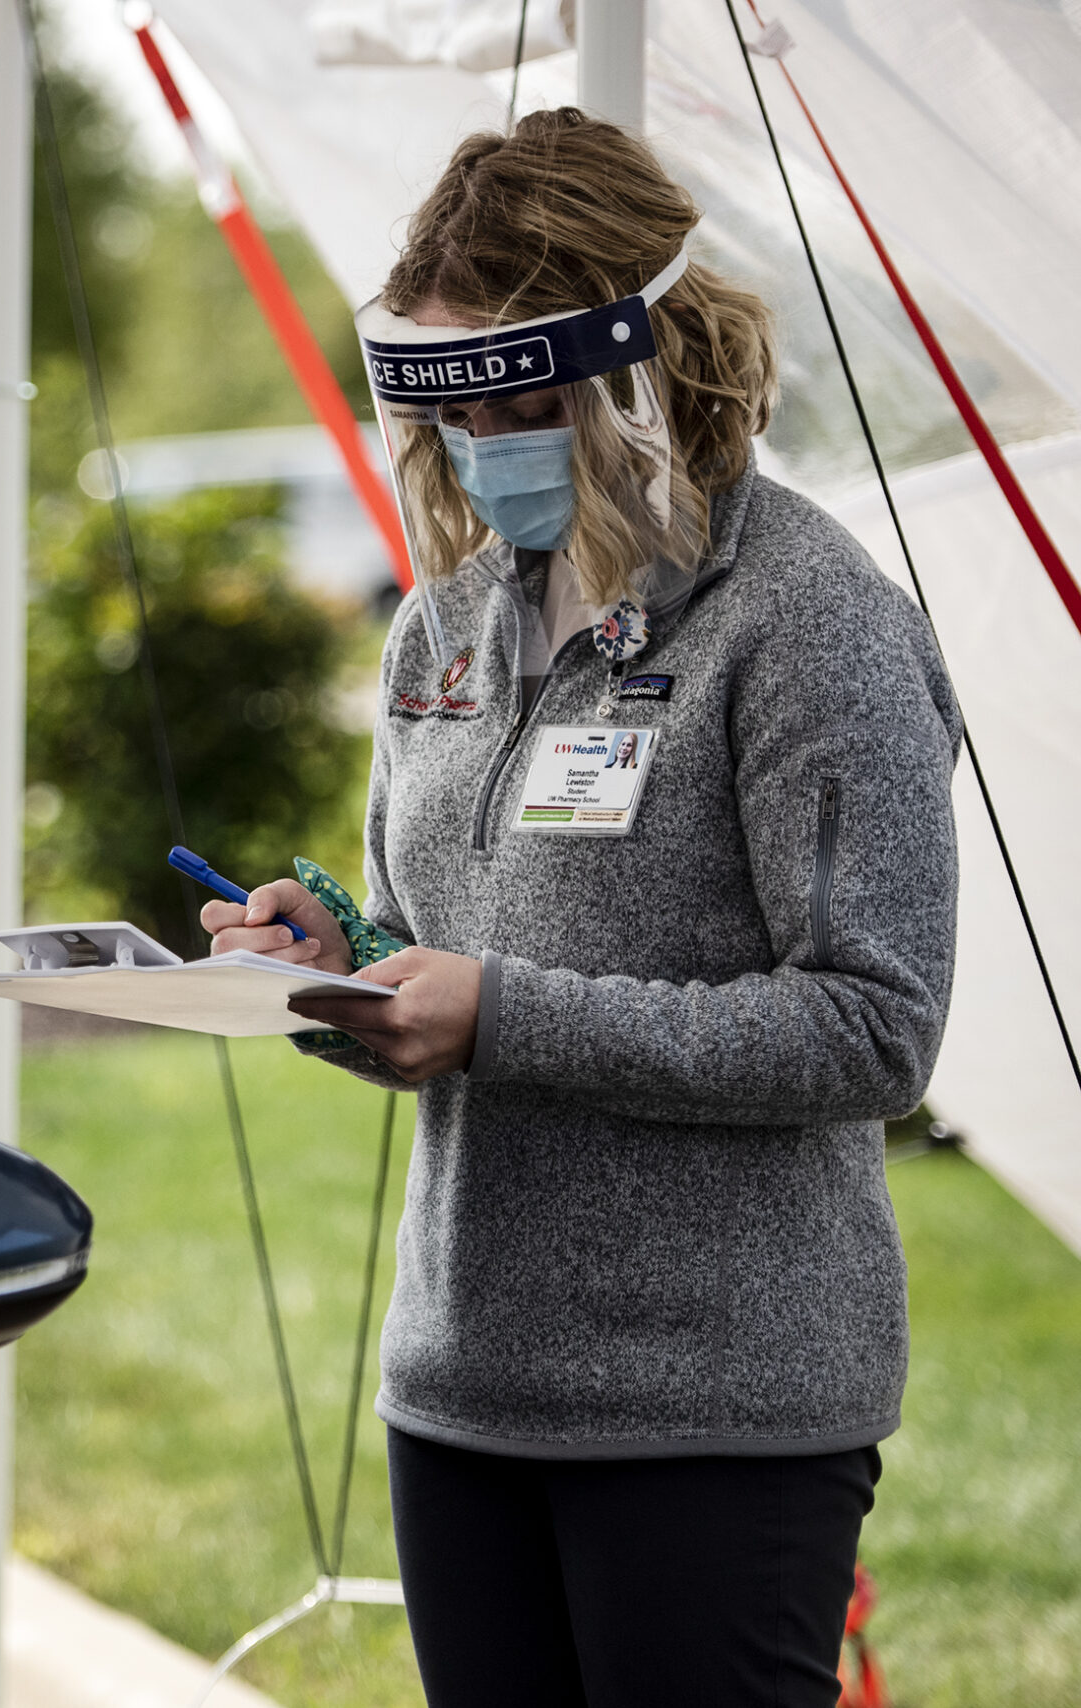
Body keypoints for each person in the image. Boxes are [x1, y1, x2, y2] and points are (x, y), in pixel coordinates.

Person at [205, 110, 959, 1706]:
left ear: (646, 357)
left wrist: (504, 1014)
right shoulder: (447, 625)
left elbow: (876, 1028)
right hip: (463, 1395)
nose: (485, 438)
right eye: (455, 401)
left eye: (518, 391)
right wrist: (336, 962)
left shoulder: (811, 624)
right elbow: (435, 935)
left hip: (716, 1415)